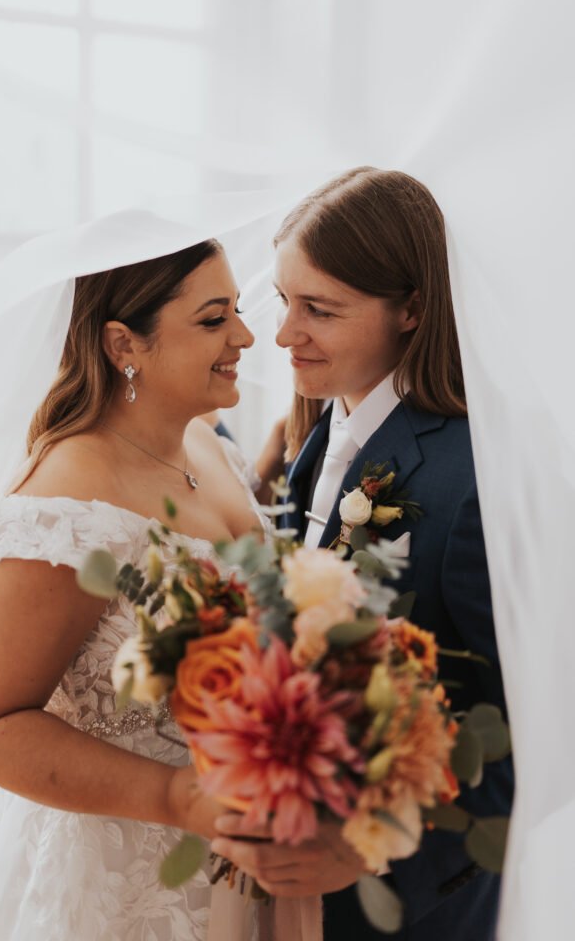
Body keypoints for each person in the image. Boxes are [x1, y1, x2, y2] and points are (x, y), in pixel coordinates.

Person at [211, 167, 514, 941]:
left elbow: (525, 741)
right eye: (284, 302)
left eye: (319, 309)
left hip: (414, 908)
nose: (282, 335)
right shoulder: (318, 440)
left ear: (411, 308)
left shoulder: (470, 480)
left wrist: (365, 851)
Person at [0, 238, 266, 941]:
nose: (244, 336)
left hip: (240, 855)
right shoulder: (65, 499)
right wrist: (177, 796)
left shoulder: (210, 446)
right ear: (125, 342)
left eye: (236, 312)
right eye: (213, 320)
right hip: (113, 878)